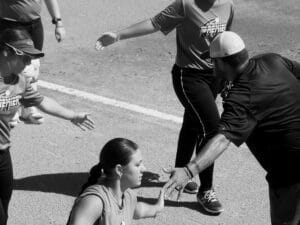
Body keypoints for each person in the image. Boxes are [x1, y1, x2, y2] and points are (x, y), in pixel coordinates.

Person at [95, 0, 234, 214]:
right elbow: (155, 22)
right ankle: (206, 190)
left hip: (214, 75)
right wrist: (118, 35)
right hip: (189, 77)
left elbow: (224, 42)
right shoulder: (186, 4)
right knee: (212, 129)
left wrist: (227, 75)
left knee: (192, 124)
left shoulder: (228, 5)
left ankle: (179, 174)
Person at [163, 31, 300, 225]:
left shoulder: (242, 97)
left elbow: (222, 139)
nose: (211, 67)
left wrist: (187, 172)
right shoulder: (272, 60)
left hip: (291, 175)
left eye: (213, 62)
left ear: (223, 63)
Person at [0, 28, 94, 225]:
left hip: (2, 153)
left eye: (30, 59)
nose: (29, 63)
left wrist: (73, 116)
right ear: (6, 52)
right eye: (24, 57)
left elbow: (41, 102)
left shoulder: (20, 81)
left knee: (4, 208)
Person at [67, 138, 164, 225]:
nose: (144, 169)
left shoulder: (128, 197)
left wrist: (158, 207)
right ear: (119, 170)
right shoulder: (95, 202)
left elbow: (138, 210)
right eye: (137, 165)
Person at [0, 0, 66, 124]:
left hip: (34, 25)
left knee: (32, 66)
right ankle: (8, 109)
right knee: (10, 67)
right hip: (9, 25)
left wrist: (58, 23)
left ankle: (28, 109)